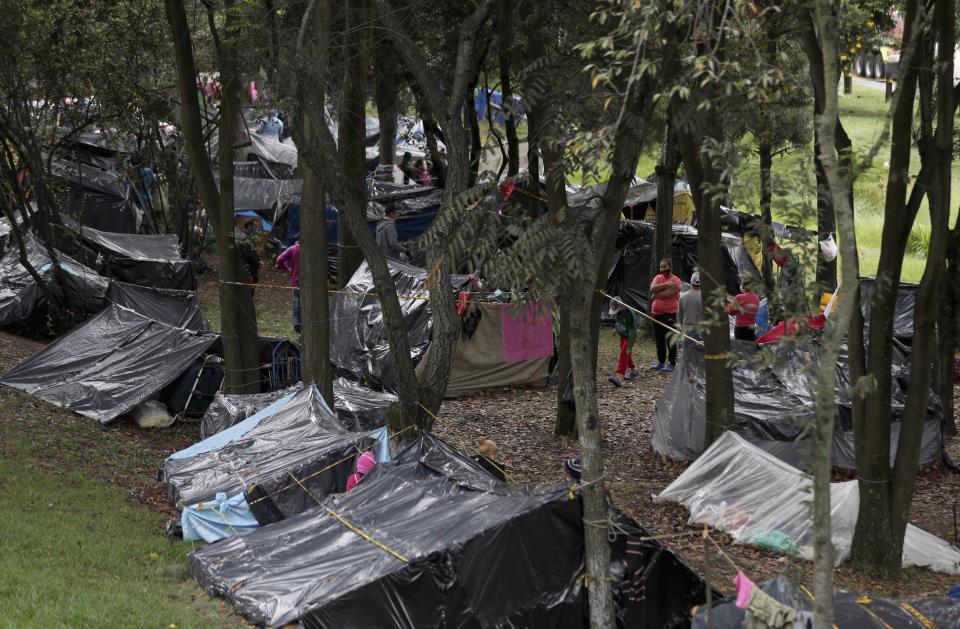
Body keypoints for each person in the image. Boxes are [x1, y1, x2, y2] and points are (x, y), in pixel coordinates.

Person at [649, 258, 682, 372]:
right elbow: (652, 288)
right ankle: (661, 362)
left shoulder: (676, 280)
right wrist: (667, 284)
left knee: (670, 339)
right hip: (656, 313)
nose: (662, 269)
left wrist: (655, 293)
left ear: (670, 266)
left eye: (664, 266)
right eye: (661, 267)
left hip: (670, 314)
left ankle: (672, 363)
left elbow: (666, 295)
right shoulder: (658, 277)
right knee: (659, 339)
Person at [608, 300, 639, 387]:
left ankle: (620, 377)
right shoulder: (619, 311)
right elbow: (619, 321)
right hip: (623, 335)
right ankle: (634, 370)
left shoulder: (630, 313)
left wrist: (630, 346)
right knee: (626, 354)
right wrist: (616, 329)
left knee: (624, 354)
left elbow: (633, 331)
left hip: (629, 336)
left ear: (622, 306)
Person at [276, 240, 301, 333]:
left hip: (296, 281)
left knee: (297, 304)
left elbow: (279, 259)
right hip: (308, 283)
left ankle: (297, 325)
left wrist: (286, 269)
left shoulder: (292, 248)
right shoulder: (310, 250)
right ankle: (304, 324)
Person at [678, 271, 703, 343]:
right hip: (702, 329)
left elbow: (679, 316)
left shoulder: (683, 296)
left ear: (691, 282)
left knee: (688, 352)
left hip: (687, 329)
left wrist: (680, 327)